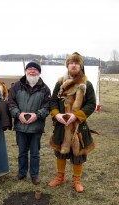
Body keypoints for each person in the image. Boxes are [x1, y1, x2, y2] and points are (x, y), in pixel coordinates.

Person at [48, 52, 96, 192]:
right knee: (60, 151)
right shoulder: (60, 83)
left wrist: (77, 116)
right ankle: (60, 177)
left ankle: (76, 180)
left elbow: (91, 104)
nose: (73, 65)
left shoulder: (87, 85)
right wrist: (57, 115)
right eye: (71, 63)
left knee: (78, 154)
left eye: (76, 63)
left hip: (78, 125)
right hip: (62, 124)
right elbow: (53, 102)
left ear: (80, 66)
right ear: (67, 65)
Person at [8, 61, 51, 185]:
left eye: (35, 69)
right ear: (26, 71)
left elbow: (47, 107)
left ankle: (34, 175)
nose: (32, 71)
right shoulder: (17, 86)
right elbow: (11, 103)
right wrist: (18, 114)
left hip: (36, 127)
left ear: (39, 72)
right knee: (22, 152)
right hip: (20, 126)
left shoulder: (45, 89)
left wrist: (37, 115)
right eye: (30, 69)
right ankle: (21, 173)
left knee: (35, 153)